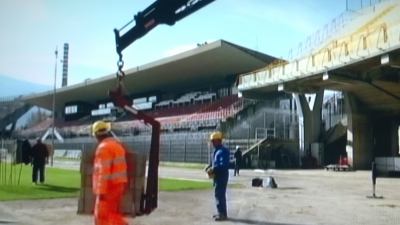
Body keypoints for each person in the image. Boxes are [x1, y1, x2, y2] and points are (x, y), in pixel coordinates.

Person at [92, 120, 128, 225]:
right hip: (118, 185)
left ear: (96, 135)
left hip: (108, 188)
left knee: (101, 216)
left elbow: (103, 172)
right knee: (110, 214)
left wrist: (101, 192)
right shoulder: (117, 145)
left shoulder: (103, 148)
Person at [206, 131, 230, 221]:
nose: (212, 143)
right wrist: (209, 167)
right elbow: (214, 163)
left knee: (219, 195)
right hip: (218, 176)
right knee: (219, 194)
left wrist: (213, 169)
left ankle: (222, 214)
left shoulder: (223, 151)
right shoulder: (217, 151)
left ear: (218, 141)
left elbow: (223, 164)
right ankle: (221, 212)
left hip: (221, 176)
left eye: (213, 141)